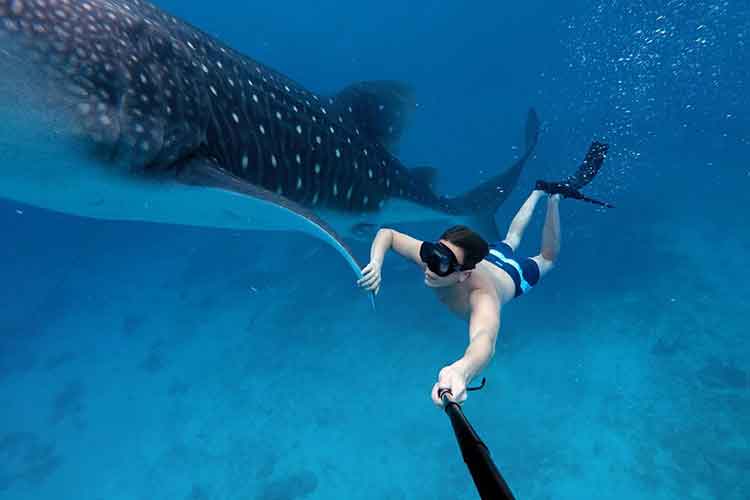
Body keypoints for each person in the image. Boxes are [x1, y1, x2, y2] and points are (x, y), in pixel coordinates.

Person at [357, 189, 561, 407]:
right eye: (432, 252)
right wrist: (376, 264)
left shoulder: (482, 298)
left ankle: (553, 199)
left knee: (547, 258)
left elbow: (484, 339)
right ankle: (536, 192)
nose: (430, 267)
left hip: (513, 274)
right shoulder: (434, 260)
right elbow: (388, 234)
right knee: (511, 239)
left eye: (442, 263)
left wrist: (461, 371)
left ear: (464, 275)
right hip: (489, 257)